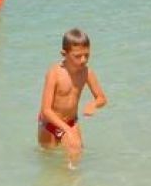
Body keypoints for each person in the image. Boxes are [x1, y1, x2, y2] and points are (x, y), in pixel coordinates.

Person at [36, 28, 108, 168]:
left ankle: (73, 185)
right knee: (50, 163)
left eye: (87, 55)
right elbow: (46, 110)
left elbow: (102, 98)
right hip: (50, 125)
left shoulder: (87, 73)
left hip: (71, 122)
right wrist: (66, 131)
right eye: (77, 56)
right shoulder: (54, 74)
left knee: (75, 159)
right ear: (64, 54)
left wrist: (94, 104)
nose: (83, 60)